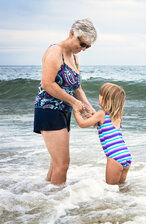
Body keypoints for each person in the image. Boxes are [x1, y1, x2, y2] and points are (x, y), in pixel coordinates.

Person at [33, 19, 97, 185]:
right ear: (71, 34)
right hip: (49, 109)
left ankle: (45, 197)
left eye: (87, 47)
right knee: (63, 164)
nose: (83, 49)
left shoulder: (74, 57)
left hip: (63, 110)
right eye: (82, 43)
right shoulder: (55, 51)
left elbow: (78, 88)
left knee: (56, 163)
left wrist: (89, 108)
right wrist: (74, 103)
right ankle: (58, 203)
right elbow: (47, 84)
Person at [73, 83, 132, 185]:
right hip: (125, 155)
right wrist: (93, 117)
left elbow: (82, 124)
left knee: (111, 189)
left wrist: (76, 112)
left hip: (114, 157)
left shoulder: (101, 114)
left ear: (107, 99)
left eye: (101, 94)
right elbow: (105, 126)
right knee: (121, 188)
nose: (99, 96)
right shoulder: (118, 116)